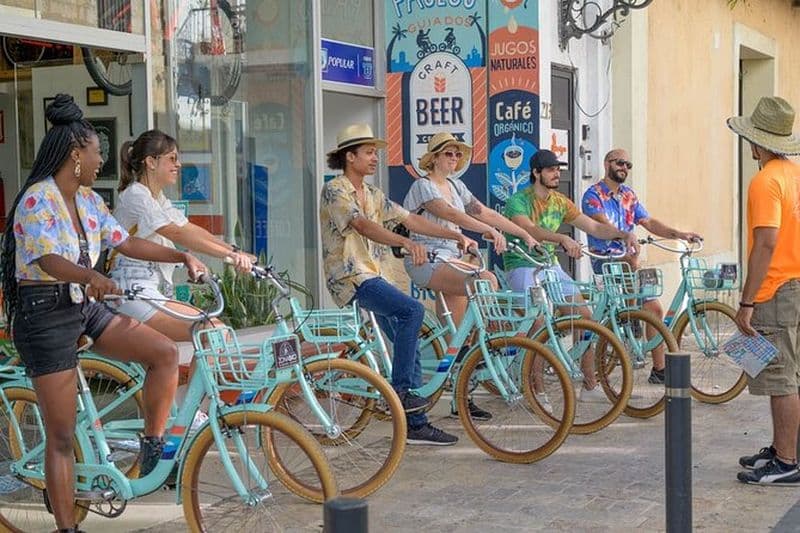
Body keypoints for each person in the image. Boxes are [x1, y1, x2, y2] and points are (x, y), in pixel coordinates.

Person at [0, 94, 206, 532]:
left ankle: (152, 445)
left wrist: (180, 257)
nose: (101, 160)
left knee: (164, 353)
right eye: (96, 153)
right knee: (60, 437)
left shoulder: (90, 201)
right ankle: (67, 528)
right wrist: (89, 276)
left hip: (83, 305)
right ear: (76, 155)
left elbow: (127, 243)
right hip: (45, 315)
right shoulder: (37, 200)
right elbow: (46, 260)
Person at [320, 124, 476, 445]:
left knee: (410, 339)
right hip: (352, 277)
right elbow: (362, 225)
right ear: (350, 157)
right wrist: (405, 245)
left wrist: (455, 235)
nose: (375, 158)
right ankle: (402, 393)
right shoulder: (335, 189)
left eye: (374, 152)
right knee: (412, 312)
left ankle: (415, 424)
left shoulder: (374, 194)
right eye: (368, 152)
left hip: (378, 275)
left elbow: (410, 219)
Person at [403, 132, 538, 420]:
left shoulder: (456, 185)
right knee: (485, 280)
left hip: (450, 261)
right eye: (448, 153)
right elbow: (451, 215)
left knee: (457, 338)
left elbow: (484, 212)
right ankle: (487, 341)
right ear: (434, 157)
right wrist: (484, 231)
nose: (454, 158)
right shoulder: (423, 186)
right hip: (425, 260)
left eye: (457, 154)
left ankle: (460, 399)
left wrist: (522, 232)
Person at [503, 149, 638, 402]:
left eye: (558, 169)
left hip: (549, 265)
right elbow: (530, 230)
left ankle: (589, 385)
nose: (557, 174)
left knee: (584, 317)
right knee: (539, 324)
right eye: (552, 169)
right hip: (521, 264)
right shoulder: (518, 200)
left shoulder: (560, 201)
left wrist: (623, 234)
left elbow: (594, 226)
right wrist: (562, 238)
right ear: (536, 172)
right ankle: (537, 391)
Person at [581, 148, 702, 384]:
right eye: (619, 163)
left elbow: (647, 221)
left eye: (628, 165)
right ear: (607, 164)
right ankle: (611, 347)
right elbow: (601, 225)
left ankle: (659, 369)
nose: (624, 168)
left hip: (630, 263)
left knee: (654, 309)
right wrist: (625, 239)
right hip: (608, 264)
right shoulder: (593, 195)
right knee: (612, 317)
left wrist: (677, 233)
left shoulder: (628, 195)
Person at [728, 96, 800, 485]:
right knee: (792, 372)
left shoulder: (764, 181)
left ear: (756, 142)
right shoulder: (795, 174)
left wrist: (747, 301)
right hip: (797, 282)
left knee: (780, 376)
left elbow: (767, 242)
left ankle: (787, 461)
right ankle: (783, 448)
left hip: (776, 286)